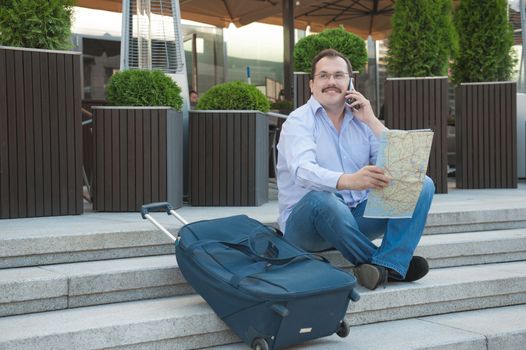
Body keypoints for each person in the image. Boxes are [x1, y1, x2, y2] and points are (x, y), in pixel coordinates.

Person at [276, 49, 435, 290]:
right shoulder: (298, 122)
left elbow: (402, 163)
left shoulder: (361, 119)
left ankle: (387, 266)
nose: (331, 82)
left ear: (350, 82)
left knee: (422, 184)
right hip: (307, 227)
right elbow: (302, 171)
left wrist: (371, 119)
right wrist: (350, 181)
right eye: (323, 76)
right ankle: (387, 263)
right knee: (323, 200)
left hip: (353, 220)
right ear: (311, 84)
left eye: (339, 75)